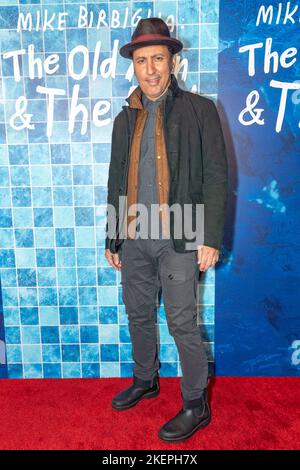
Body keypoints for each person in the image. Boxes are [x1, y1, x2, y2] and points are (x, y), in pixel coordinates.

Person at [105, 17, 228, 442]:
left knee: (181, 324)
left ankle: (196, 404)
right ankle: (146, 379)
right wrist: (113, 235)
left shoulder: (200, 109)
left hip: (183, 232)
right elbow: (116, 177)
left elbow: (215, 175)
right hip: (134, 237)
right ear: (134, 66)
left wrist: (210, 237)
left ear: (172, 61)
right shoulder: (125, 119)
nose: (151, 68)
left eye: (159, 58)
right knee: (138, 314)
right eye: (142, 60)